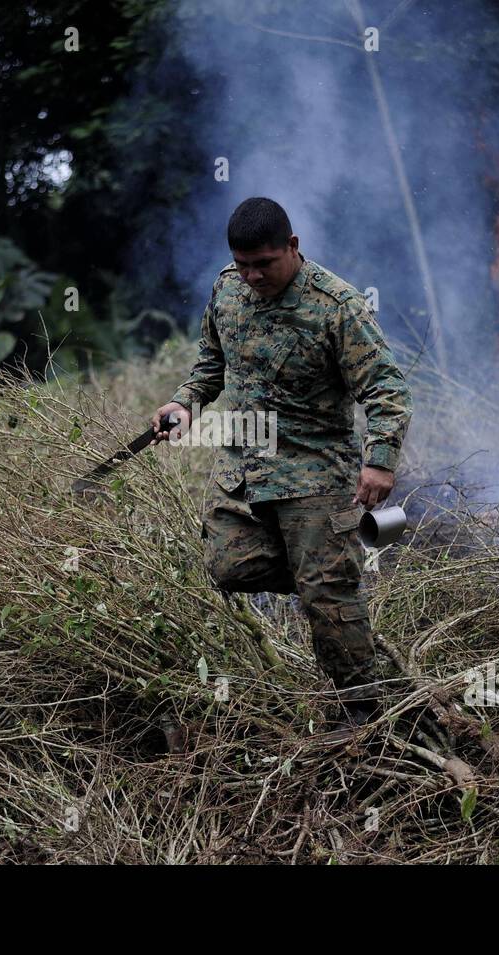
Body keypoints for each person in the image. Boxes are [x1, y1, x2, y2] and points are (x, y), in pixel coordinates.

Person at [153, 197, 413, 732]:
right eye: (243, 263)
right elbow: (211, 363)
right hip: (243, 471)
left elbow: (387, 388)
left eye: (264, 264)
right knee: (228, 566)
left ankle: (363, 715)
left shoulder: (337, 305)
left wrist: (380, 460)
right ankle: (328, 582)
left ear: (292, 247)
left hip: (314, 475)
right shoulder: (228, 288)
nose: (252, 276)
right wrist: (184, 403)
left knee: (326, 594)